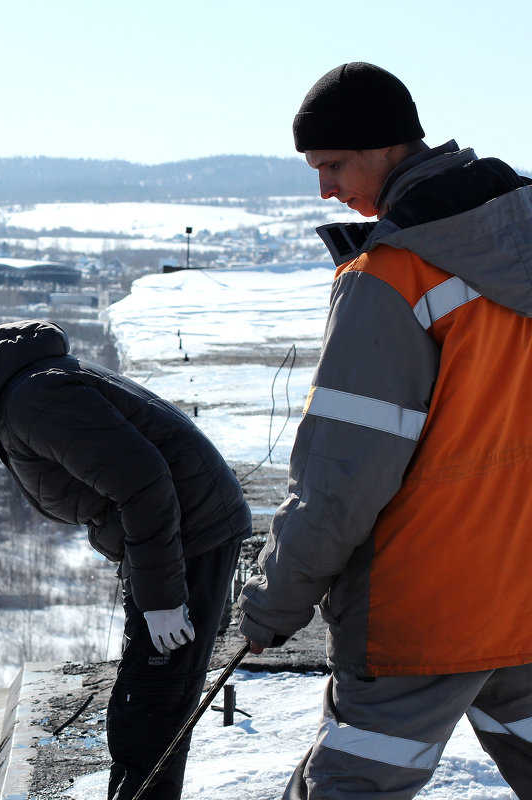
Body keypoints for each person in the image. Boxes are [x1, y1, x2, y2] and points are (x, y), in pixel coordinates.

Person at [237, 62, 532, 798]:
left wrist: (274, 600)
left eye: (334, 165)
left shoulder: (393, 278)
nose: (326, 190)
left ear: (386, 146)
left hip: (424, 612)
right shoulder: (515, 244)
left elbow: (341, 478)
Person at [0, 319, 251, 800]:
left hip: (192, 536)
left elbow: (143, 482)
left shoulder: (30, 402)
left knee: (152, 711)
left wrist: (162, 599)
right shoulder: (12, 404)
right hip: (168, 541)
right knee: (139, 707)